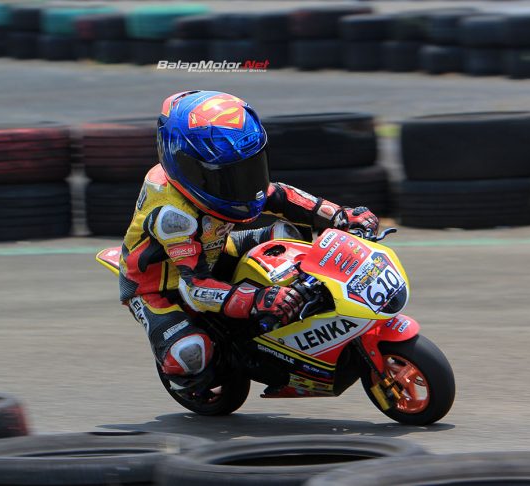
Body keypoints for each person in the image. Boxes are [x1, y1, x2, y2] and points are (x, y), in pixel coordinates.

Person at [119, 90, 379, 390]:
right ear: (187, 167)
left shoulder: (219, 180)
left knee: (289, 237)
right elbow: (195, 288)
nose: (244, 183)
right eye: (228, 176)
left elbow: (280, 196)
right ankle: (190, 373)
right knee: (189, 354)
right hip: (158, 285)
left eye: (249, 168)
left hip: (216, 249)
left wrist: (341, 216)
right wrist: (258, 300)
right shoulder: (173, 216)